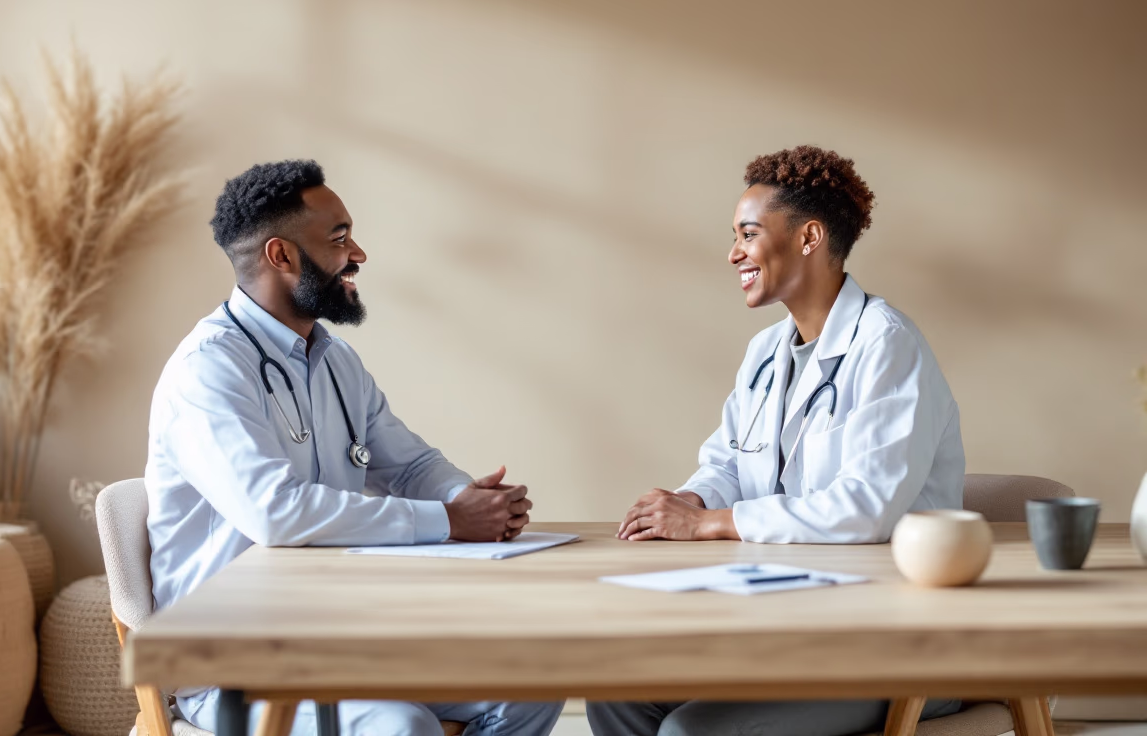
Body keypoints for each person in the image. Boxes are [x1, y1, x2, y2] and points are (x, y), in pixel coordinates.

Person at [145, 160, 562, 736]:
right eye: (339, 238)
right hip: (234, 664)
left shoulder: (334, 360)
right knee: (399, 725)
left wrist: (470, 500)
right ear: (282, 256)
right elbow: (275, 512)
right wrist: (448, 521)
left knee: (529, 689)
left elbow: (409, 463)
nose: (358, 253)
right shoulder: (208, 371)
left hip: (336, 638)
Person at [589, 146, 965, 736]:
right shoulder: (765, 352)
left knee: (692, 731)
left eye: (747, 233)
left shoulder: (887, 346)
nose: (733, 252)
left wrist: (711, 524)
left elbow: (867, 510)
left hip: (892, 649)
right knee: (615, 696)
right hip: (791, 627)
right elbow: (728, 462)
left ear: (809, 236)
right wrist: (691, 501)